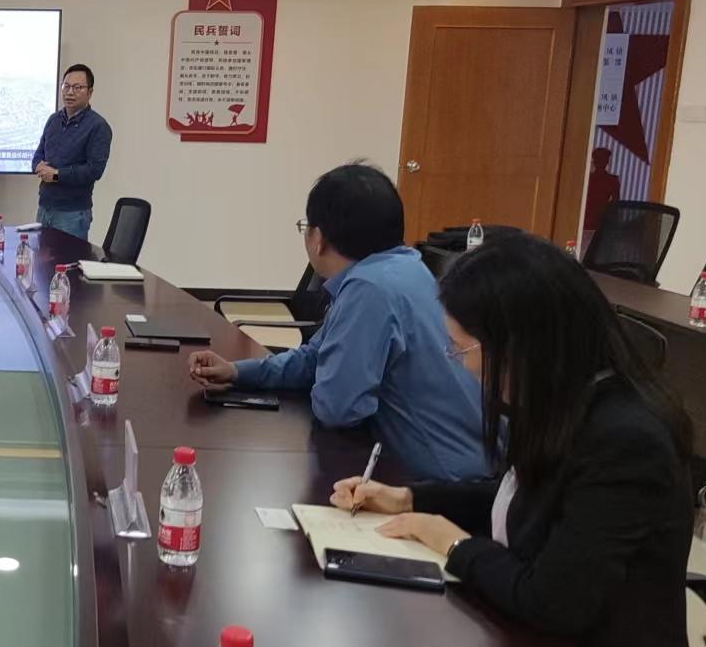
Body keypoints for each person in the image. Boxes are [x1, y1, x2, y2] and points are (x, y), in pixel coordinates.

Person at [329, 233, 705, 647]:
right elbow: (522, 498)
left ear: (524, 344)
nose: (462, 365)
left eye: (464, 348)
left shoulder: (625, 439)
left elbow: (551, 602)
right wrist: (410, 499)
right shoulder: (564, 402)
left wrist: (452, 542)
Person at [189, 163, 489, 482]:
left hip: (442, 483)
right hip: (466, 464)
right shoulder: (405, 268)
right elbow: (315, 357)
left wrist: (327, 376)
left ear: (318, 239)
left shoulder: (369, 289)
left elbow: (338, 408)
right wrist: (238, 372)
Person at [31, 63, 113, 240]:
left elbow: (94, 170)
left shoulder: (98, 126)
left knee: (69, 258)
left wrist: (56, 175)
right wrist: (38, 166)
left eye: (77, 88)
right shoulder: (53, 120)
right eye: (66, 86)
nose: (70, 92)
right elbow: (38, 155)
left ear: (90, 92)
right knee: (41, 258)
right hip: (45, 207)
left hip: (73, 213)